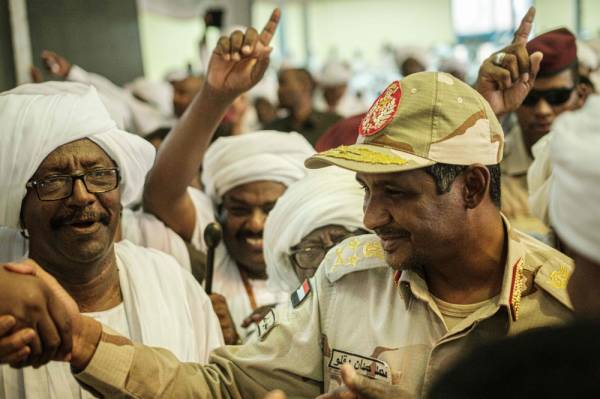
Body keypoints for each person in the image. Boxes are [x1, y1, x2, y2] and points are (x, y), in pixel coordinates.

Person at [0, 8, 575, 399]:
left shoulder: (567, 306)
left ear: (472, 187)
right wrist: (81, 343)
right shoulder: (349, 279)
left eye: (395, 193)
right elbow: (222, 387)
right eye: (366, 192)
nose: (370, 220)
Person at [0, 82, 223, 398]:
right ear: (21, 211)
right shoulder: (6, 307)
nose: (82, 196)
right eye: (54, 182)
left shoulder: (169, 280)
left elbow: (213, 388)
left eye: (98, 175)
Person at [141, 10, 314, 341]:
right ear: (218, 212)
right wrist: (216, 95)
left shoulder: (323, 268)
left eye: (271, 208)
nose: (255, 224)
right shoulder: (215, 255)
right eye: (239, 209)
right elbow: (161, 193)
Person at [477, 27, 587, 234]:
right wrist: (482, 112)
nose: (543, 111)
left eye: (557, 97)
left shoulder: (592, 166)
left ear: (581, 96)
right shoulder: (487, 166)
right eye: (530, 98)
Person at [263, 168, 366, 294]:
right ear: (291, 265)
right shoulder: (281, 314)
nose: (328, 266)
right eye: (312, 250)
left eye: (342, 244)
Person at [265, 67, 341, 145]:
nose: (279, 90)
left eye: (283, 83)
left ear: (304, 85)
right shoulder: (273, 129)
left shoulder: (334, 125)